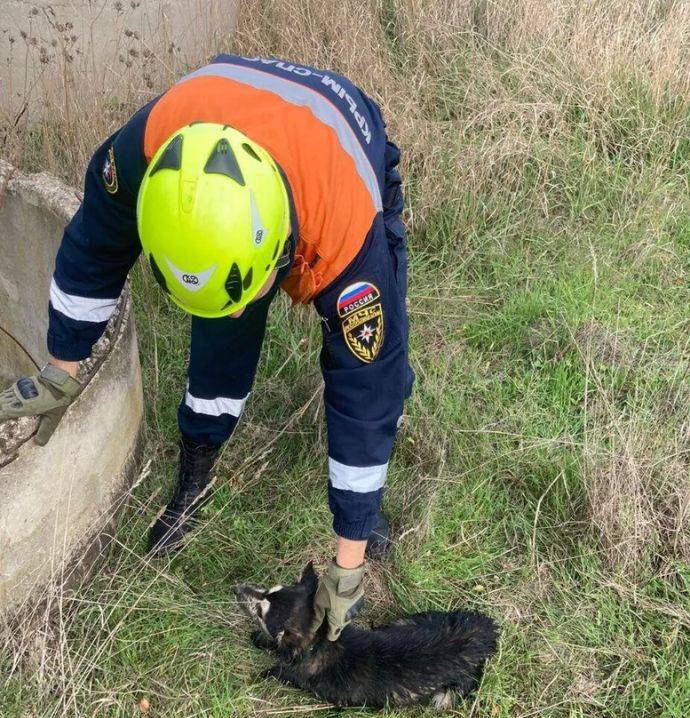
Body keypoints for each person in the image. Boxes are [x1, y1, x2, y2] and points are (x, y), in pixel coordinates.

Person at [0, 55, 413, 640]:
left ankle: (365, 517)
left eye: (250, 290)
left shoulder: (349, 233)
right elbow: (93, 246)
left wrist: (346, 566)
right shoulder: (141, 157)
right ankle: (195, 474)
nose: (245, 310)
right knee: (220, 338)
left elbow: (363, 396)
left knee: (382, 369)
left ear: (283, 247)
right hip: (219, 110)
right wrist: (63, 366)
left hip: (340, 139)